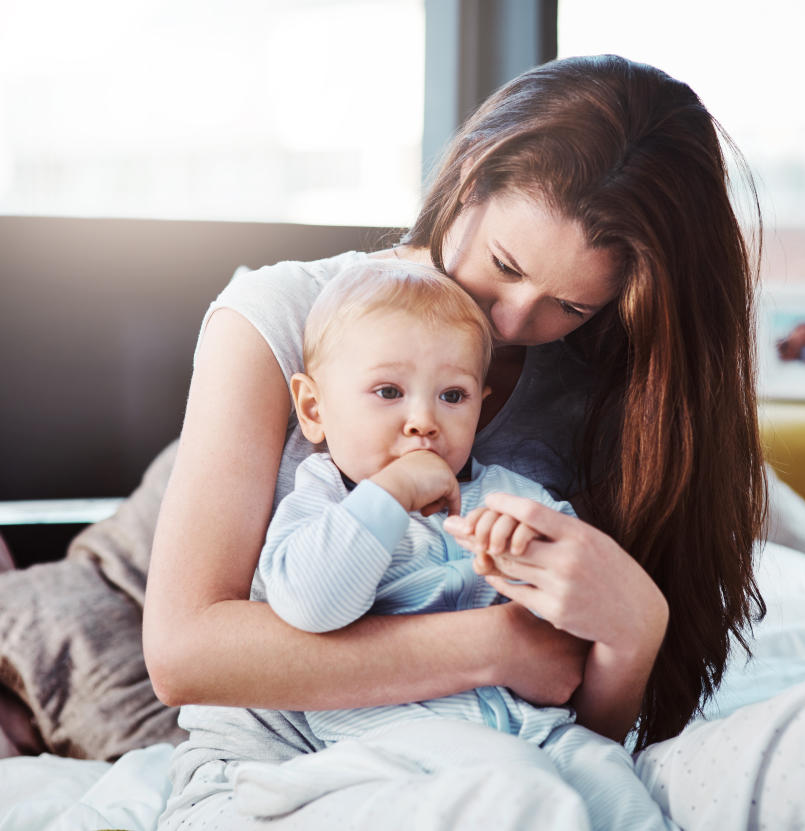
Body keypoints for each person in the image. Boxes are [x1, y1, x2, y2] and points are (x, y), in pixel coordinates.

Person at [146, 54, 805, 829]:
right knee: (516, 804)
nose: (514, 322)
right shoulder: (280, 318)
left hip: (539, 754)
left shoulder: (609, 385)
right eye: (507, 265)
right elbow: (183, 655)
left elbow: (585, 722)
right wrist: (493, 648)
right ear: (473, 180)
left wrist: (632, 631)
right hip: (293, 772)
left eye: (573, 306)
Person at [238, 259, 667, 829]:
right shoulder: (321, 505)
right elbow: (311, 606)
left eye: (453, 396)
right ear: (314, 410)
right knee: (516, 785)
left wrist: (528, 557)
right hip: (399, 743)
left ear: (480, 407)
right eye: (389, 391)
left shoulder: (508, 495)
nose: (423, 420)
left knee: (612, 779)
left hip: (533, 729)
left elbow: (575, 614)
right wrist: (390, 495)